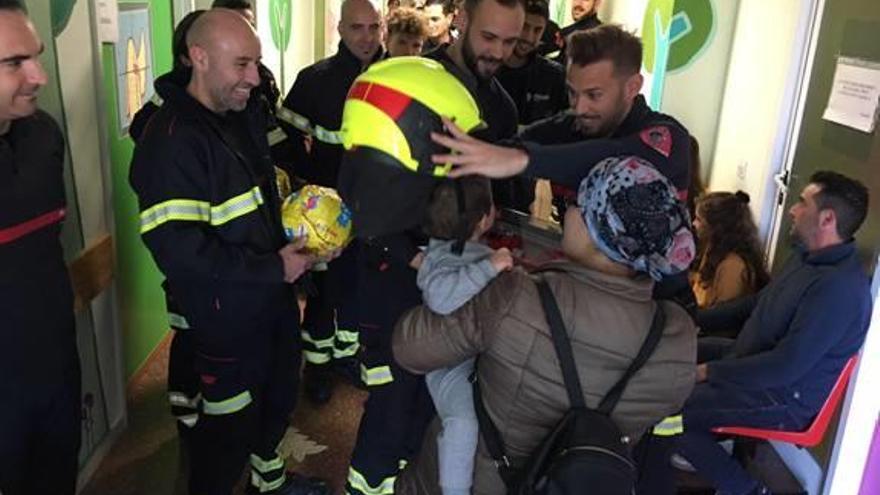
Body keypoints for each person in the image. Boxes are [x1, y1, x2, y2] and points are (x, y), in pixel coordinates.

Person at [392, 156, 698, 495]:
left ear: (598, 233)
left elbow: (411, 348)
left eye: (574, 203)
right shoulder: (676, 338)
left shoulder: (519, 296)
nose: (566, 211)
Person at [129, 10, 328, 495]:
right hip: (227, 321)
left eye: (256, 64)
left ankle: (269, 485)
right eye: (241, 64)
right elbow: (179, 252)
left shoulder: (239, 117)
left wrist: (302, 238)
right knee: (225, 439)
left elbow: (255, 210)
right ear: (198, 58)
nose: (254, 78)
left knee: (276, 406)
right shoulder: (170, 141)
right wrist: (272, 267)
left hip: (271, 303)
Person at [672, 171, 872, 495]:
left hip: (780, 397)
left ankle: (747, 489)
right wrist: (691, 317)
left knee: (672, 410)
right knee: (675, 351)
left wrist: (708, 372)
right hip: (749, 360)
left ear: (827, 218)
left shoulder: (839, 290)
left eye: (802, 203)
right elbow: (755, 304)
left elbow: (785, 367)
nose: (793, 210)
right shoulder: (807, 256)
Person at [278, 0, 384, 404]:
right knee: (321, 295)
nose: (367, 37)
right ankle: (318, 368)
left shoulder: (394, 79)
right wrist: (304, 182)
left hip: (375, 211)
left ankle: (346, 357)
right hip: (324, 217)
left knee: (359, 291)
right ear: (339, 29)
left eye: (374, 27)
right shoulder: (315, 80)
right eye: (357, 28)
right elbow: (281, 136)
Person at [0, 2, 81, 494]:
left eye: (37, 56)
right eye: (15, 63)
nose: (39, 76)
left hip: (54, 375)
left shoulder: (44, 136)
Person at [417, 177, 513, 495]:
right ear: (485, 218)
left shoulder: (456, 250)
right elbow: (441, 296)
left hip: (471, 356)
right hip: (450, 367)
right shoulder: (450, 259)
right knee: (464, 423)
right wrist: (491, 266)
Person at [424, 0, 535, 212]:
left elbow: (501, 203)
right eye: (489, 37)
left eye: (510, 41)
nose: (498, 53)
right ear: (463, 19)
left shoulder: (504, 109)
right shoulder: (411, 80)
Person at [691, 191, 769, 311]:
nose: (694, 224)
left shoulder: (732, 266)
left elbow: (721, 316)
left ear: (716, 227)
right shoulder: (713, 249)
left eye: (699, 219)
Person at [496, 0, 567, 126]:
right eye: (524, 26)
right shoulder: (487, 69)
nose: (529, 37)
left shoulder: (555, 77)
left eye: (537, 30)